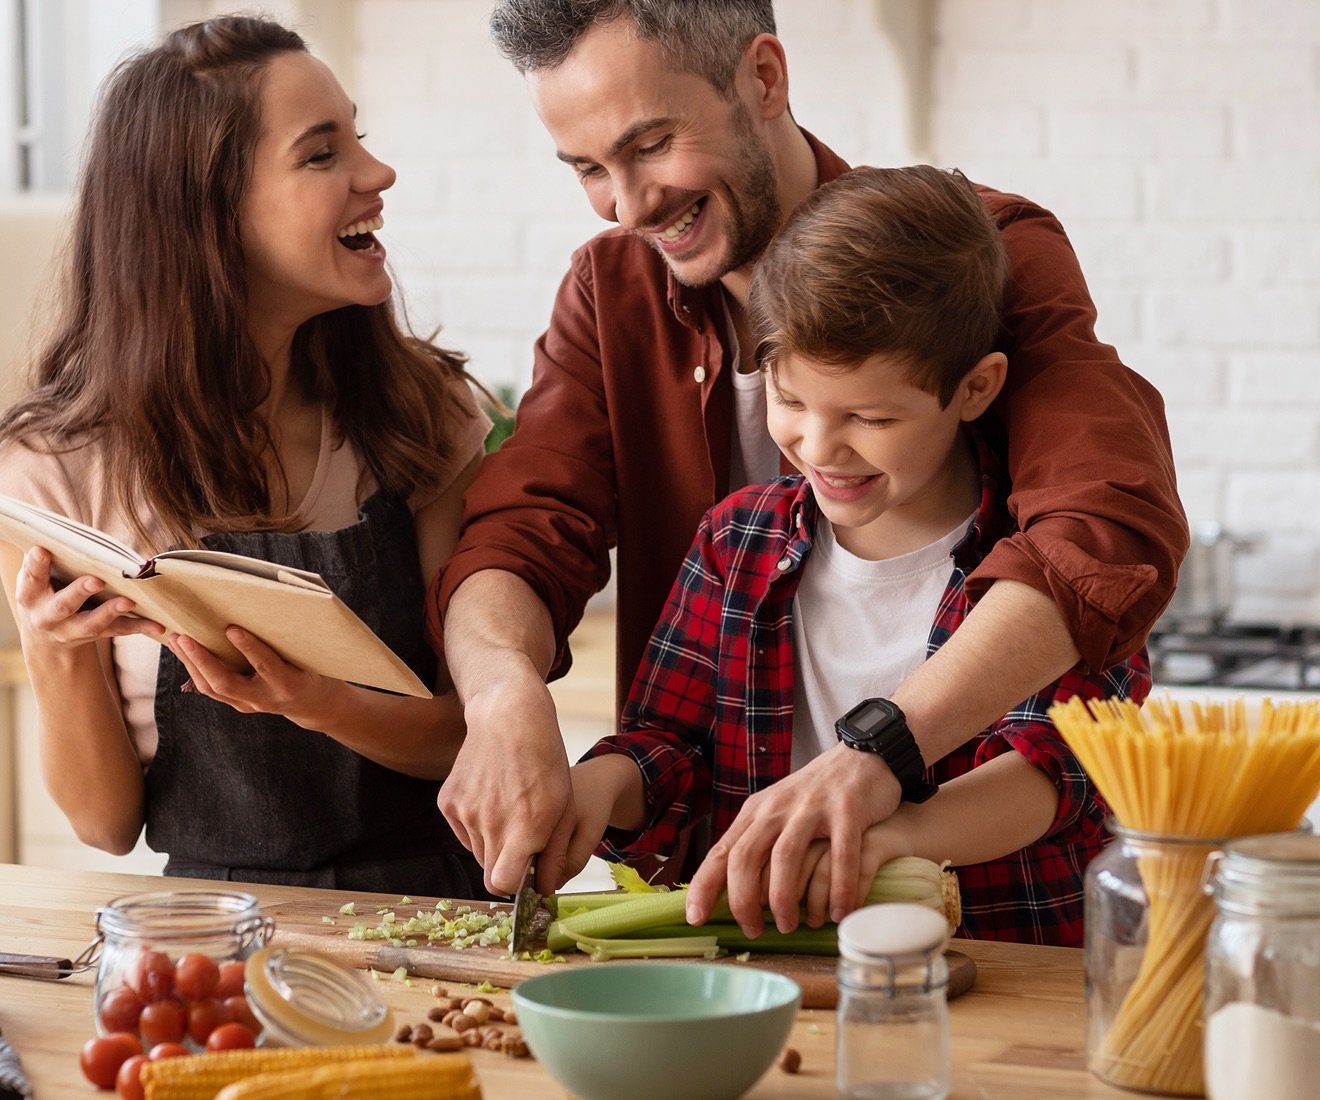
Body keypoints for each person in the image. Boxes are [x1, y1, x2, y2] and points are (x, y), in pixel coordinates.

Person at [430, 0, 1187, 925]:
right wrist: (503, 693)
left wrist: (880, 760)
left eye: (653, 144)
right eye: (591, 169)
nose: (628, 206)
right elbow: (522, 534)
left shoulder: (975, 255)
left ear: (763, 79)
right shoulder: (613, 292)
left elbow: (1100, 529)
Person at [568, 165, 1151, 947]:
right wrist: (596, 788)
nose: (818, 446)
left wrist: (890, 839)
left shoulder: (1042, 561)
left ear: (975, 388)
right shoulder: (735, 541)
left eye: (871, 416)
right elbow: (669, 749)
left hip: (1009, 967)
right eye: (791, 399)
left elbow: (1063, 769)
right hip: (784, 976)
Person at [0, 15, 493, 897]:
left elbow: (471, 738)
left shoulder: (421, 416)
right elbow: (106, 825)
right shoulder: (53, 472)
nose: (377, 176)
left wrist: (314, 701)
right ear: (206, 211)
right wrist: (52, 647)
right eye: (321, 154)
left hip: (435, 908)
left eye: (360, 139)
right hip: (210, 928)